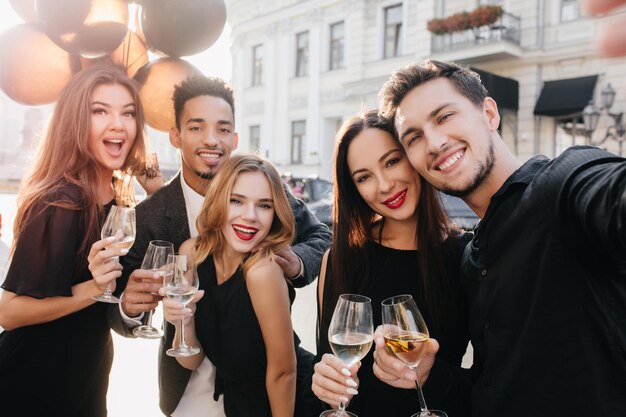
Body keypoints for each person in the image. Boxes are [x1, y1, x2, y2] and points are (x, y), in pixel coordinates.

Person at [373, 59, 626, 416]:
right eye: (414, 137)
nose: (434, 142)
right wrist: (429, 374)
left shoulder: (559, 186)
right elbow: (494, 391)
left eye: (444, 117)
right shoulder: (472, 257)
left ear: (489, 114)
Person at [107, 75, 331, 416]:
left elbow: (320, 236)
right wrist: (132, 307)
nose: (212, 140)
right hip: (190, 389)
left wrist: (293, 262)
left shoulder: (262, 187)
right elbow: (121, 307)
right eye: (197, 128)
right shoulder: (155, 219)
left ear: (234, 138)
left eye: (223, 129)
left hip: (270, 390)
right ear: (176, 136)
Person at [0, 65, 149, 416]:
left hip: (86, 375)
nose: (118, 124)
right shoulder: (61, 200)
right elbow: (9, 311)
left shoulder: (118, 200)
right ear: (75, 121)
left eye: (128, 113)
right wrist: (93, 289)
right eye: (100, 111)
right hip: (33, 382)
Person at [310, 110, 471, 417]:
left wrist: (430, 376)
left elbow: (492, 387)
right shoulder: (342, 258)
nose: (384, 185)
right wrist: (327, 389)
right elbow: (328, 372)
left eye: (392, 161)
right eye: (364, 177)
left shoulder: (465, 256)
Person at [162, 154, 303, 417]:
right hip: (237, 405)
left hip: (283, 405)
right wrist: (184, 322)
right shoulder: (191, 254)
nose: (250, 216)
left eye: (264, 205)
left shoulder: (263, 271)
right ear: (218, 201)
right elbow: (191, 360)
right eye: (236, 201)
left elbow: (284, 373)